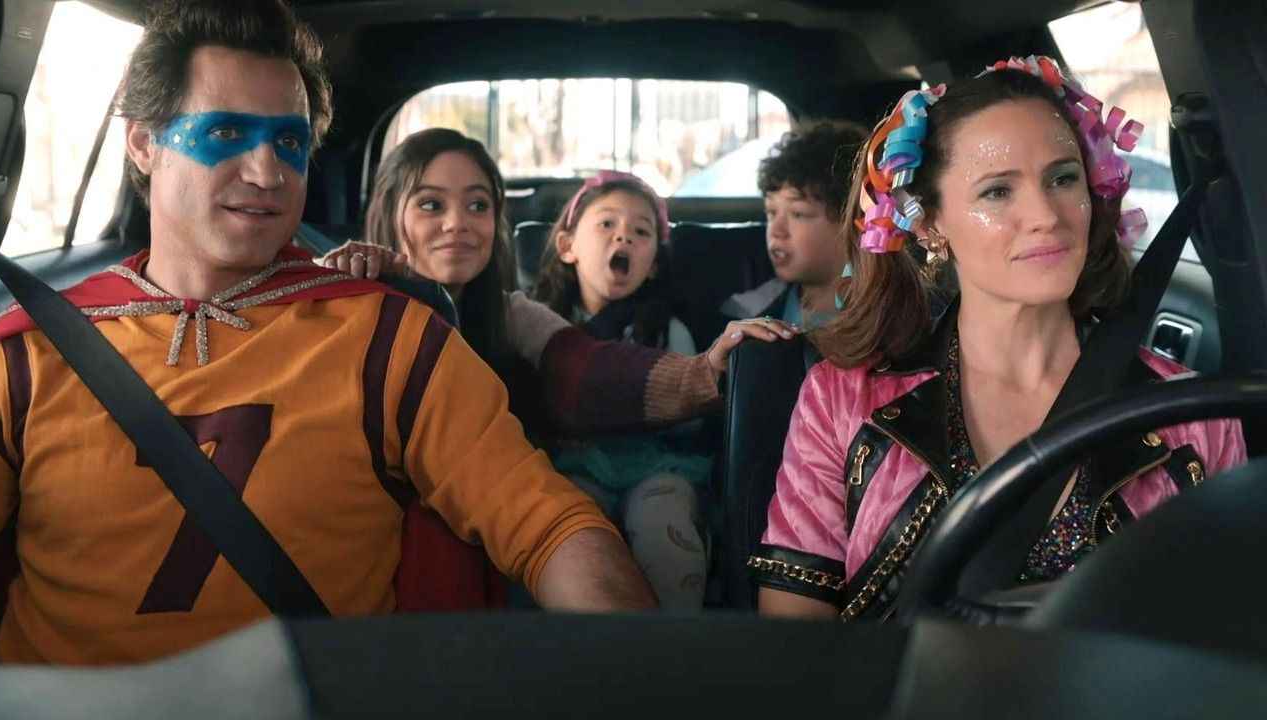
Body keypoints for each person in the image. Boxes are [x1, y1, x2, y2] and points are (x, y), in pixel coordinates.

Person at [0, 0, 659, 666]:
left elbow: (548, 525)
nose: (267, 173)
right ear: (143, 142)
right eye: (226, 133)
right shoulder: (29, 355)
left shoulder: (389, 339)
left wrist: (644, 669)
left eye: (289, 142)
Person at [751, 56, 1246, 620]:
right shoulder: (843, 400)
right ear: (929, 223)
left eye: (1062, 178)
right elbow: (795, 639)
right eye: (997, 192)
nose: (1045, 216)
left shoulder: (1191, 412)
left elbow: (1227, 627)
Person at [321, 129, 797, 443]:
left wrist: (705, 371)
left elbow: (587, 368)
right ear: (390, 213)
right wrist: (340, 281)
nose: (457, 223)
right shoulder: (353, 292)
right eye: (431, 205)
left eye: (478, 205)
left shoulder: (513, 314)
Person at [529, 170, 711, 610]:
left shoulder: (667, 332)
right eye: (606, 223)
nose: (623, 237)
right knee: (566, 523)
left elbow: (693, 414)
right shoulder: (542, 324)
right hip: (573, 464)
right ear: (567, 246)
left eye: (641, 232)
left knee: (664, 522)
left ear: (653, 266)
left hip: (656, 466)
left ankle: (673, 637)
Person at [721, 122, 867, 333]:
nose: (776, 231)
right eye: (771, 212)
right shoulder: (747, 313)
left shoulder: (890, 316)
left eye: (798, 214)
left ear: (852, 220)